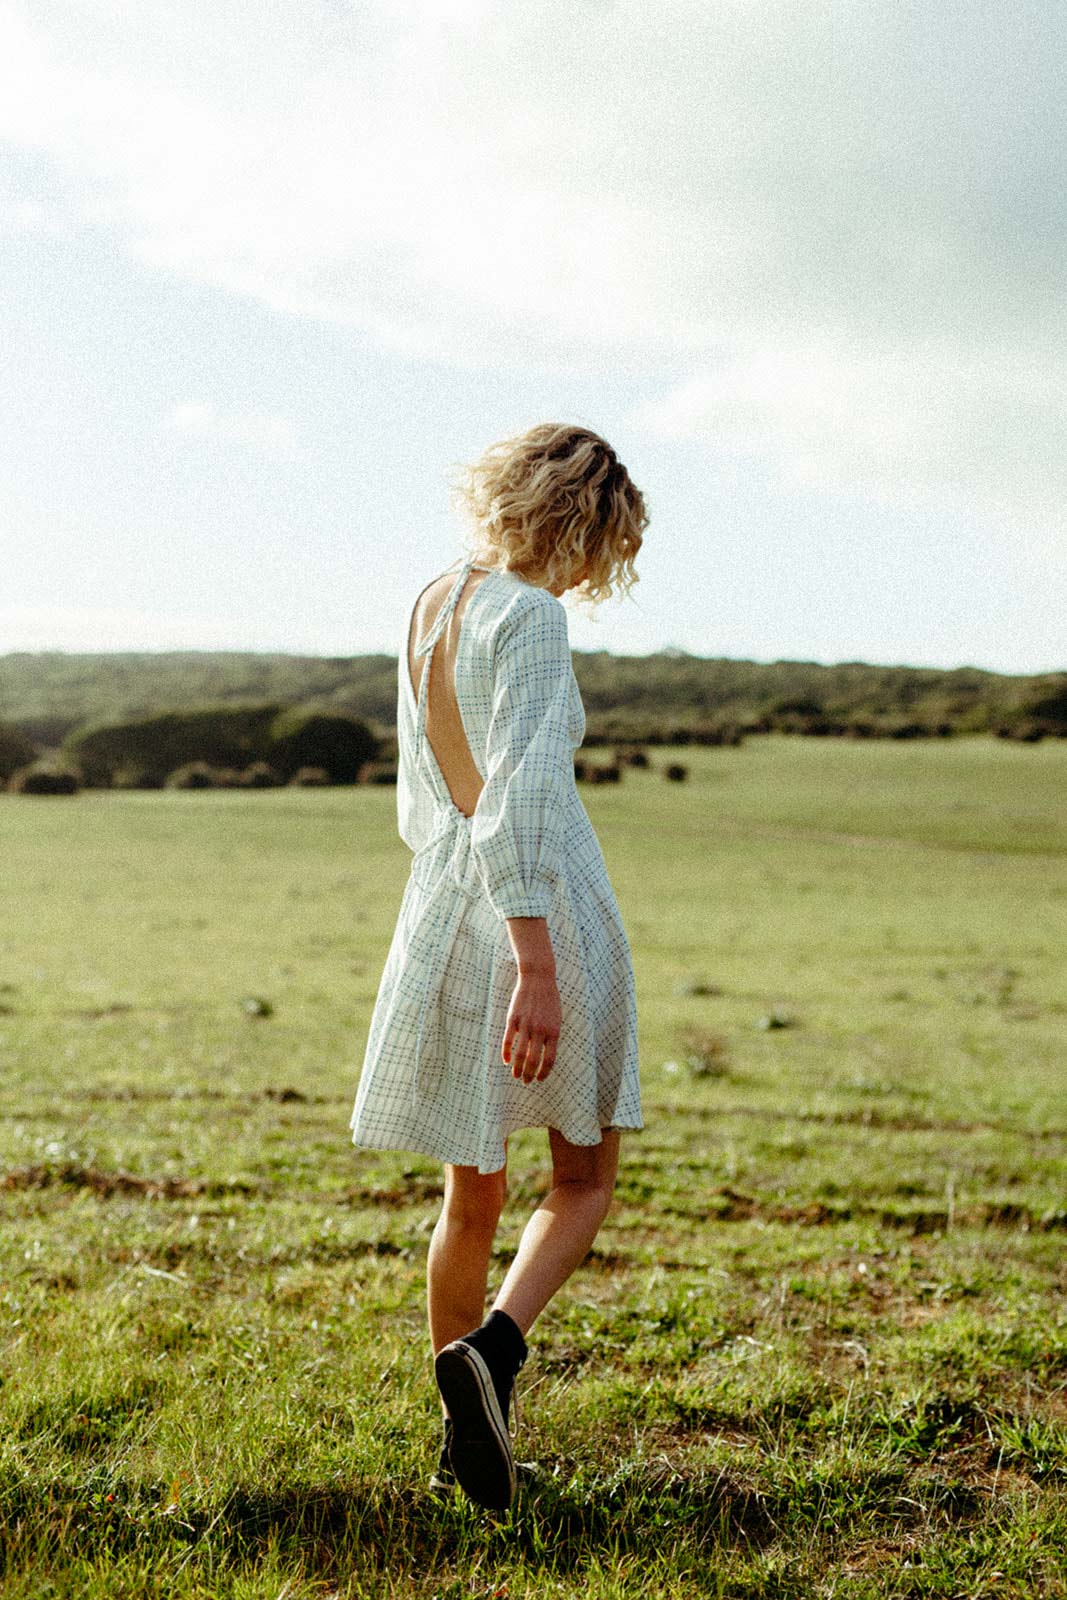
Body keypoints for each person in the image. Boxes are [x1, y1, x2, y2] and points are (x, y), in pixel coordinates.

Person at [349, 422, 648, 1512]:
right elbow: (520, 794)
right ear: (590, 526)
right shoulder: (531, 615)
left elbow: (426, 793)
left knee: (467, 1193)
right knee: (583, 1177)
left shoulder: (434, 598)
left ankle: (456, 1439)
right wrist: (538, 960)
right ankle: (496, 1354)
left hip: (440, 900)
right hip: (539, 908)